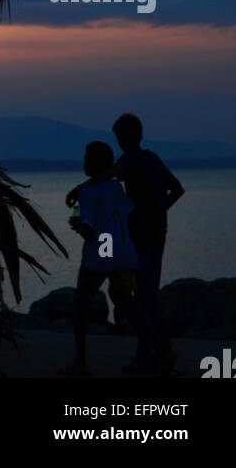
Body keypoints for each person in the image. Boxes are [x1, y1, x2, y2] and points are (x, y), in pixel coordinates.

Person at [66, 114, 184, 372]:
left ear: (122, 138)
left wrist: (78, 189)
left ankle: (148, 355)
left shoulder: (129, 161)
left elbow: (109, 174)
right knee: (143, 297)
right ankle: (155, 352)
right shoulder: (152, 159)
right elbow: (177, 189)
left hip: (135, 237)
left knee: (130, 299)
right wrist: (158, 211)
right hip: (155, 233)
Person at [59, 140, 161, 377]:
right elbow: (126, 212)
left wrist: (77, 226)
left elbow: (88, 230)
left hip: (101, 255)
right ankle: (160, 347)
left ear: (93, 163)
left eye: (86, 158)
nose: (83, 162)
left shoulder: (87, 193)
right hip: (124, 253)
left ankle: (80, 362)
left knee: (81, 305)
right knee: (127, 303)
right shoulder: (117, 188)